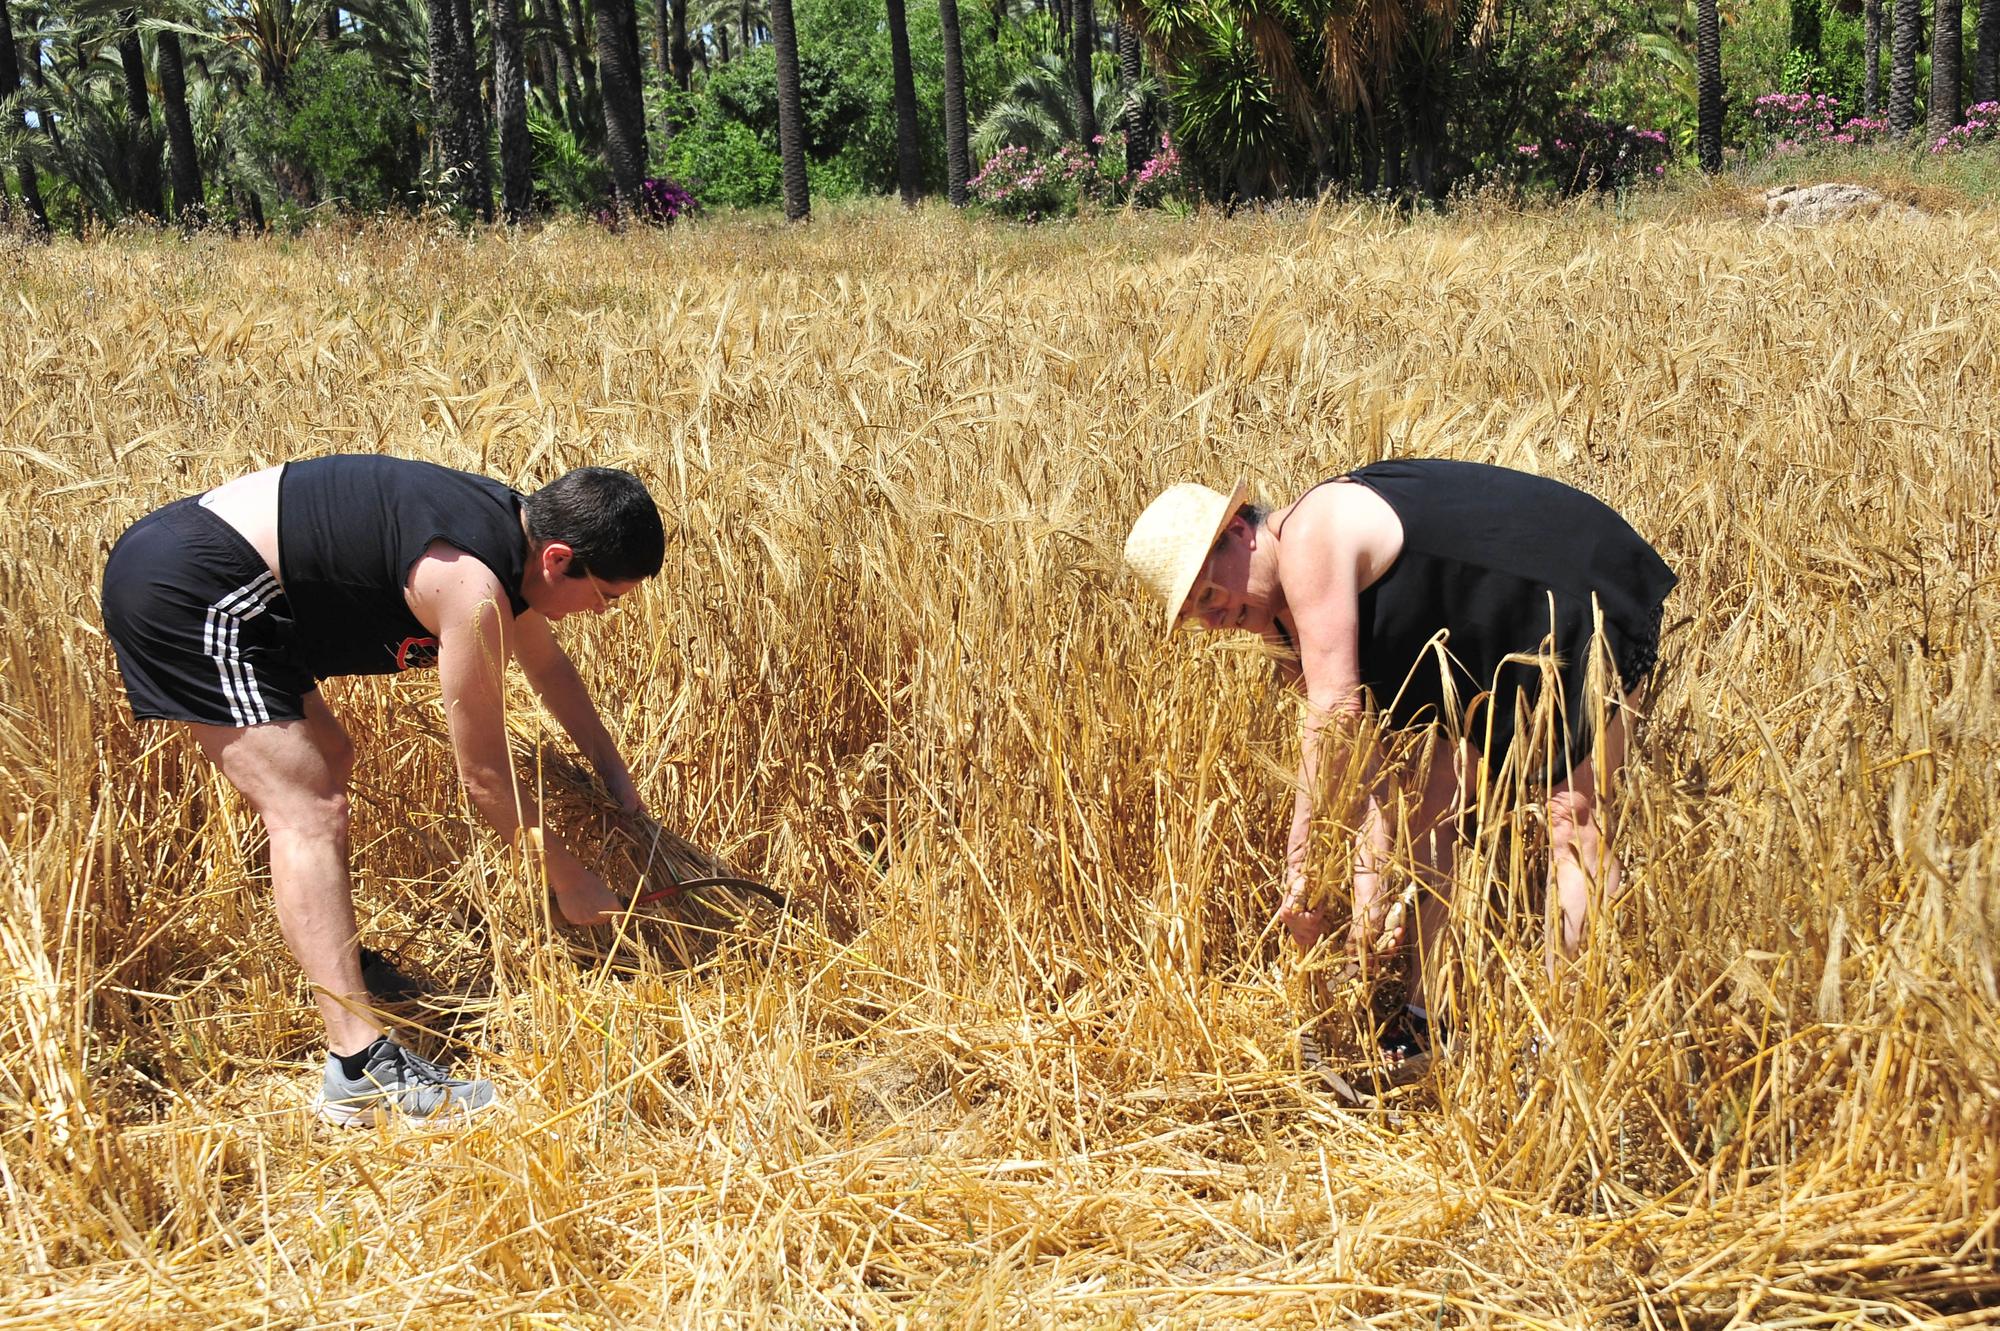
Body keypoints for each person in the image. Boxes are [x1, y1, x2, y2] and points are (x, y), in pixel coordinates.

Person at [101, 454, 666, 1126]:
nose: (599, 614)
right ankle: (357, 1067)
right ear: (557, 558)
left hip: (232, 579)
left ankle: (342, 972)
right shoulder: (473, 586)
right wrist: (569, 880)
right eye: (605, 596)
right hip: (192, 582)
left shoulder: (512, 539)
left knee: (330, 757)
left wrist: (613, 772)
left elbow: (546, 664)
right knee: (307, 809)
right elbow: (483, 780)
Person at [1123, 458, 1676, 1074]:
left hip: (1574, 588)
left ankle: (1564, 1049)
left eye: (1208, 591)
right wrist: (1363, 897)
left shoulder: (1311, 532)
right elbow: (1369, 774)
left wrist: (1302, 869)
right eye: (1197, 613)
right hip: (1482, 657)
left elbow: (1334, 712)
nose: (1215, 616)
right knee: (1429, 808)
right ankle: (1432, 1022)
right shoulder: (1287, 636)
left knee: (1572, 818)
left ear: (1239, 532)